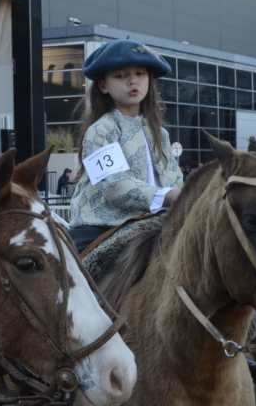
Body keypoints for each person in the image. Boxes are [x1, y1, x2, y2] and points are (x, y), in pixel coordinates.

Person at [68, 40, 183, 252]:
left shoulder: (161, 134)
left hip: (152, 225)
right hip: (101, 227)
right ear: (103, 85)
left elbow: (174, 178)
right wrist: (166, 196)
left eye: (140, 74)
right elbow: (114, 187)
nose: (133, 82)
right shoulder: (101, 131)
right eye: (121, 76)